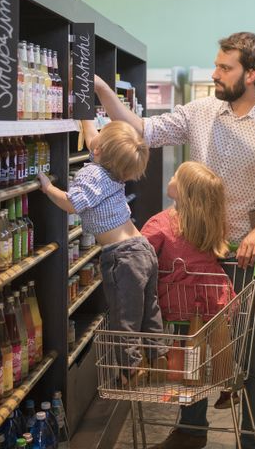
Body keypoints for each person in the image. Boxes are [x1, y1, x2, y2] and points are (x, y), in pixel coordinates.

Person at [94, 32, 255, 449]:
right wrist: (102, 90)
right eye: (216, 65)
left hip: (240, 257)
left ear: (251, 74)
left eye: (225, 67)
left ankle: (251, 441)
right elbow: (142, 128)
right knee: (187, 341)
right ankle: (191, 430)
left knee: (249, 354)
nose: (214, 74)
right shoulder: (200, 111)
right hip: (189, 251)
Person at [38, 119, 164, 381]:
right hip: (142, 249)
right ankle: (158, 356)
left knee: (124, 315)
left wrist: (48, 187)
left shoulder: (92, 174)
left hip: (123, 256)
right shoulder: (113, 169)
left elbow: (72, 204)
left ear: (98, 151)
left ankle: (131, 368)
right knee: (148, 308)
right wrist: (85, 118)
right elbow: (96, 137)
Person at [142, 161, 237, 409]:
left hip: (176, 300)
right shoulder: (212, 220)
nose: (170, 177)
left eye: (175, 176)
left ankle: (179, 378)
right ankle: (226, 382)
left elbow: (141, 253)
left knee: (185, 339)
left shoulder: (160, 224)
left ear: (183, 191)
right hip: (212, 296)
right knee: (218, 334)